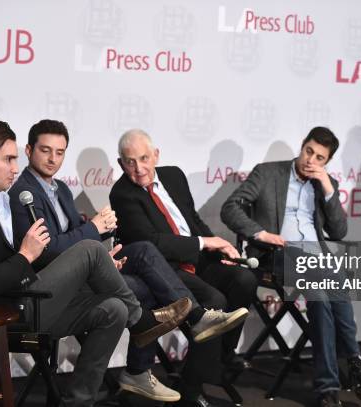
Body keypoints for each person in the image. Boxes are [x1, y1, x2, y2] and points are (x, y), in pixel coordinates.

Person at [0, 118, 188, 407]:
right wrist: (26, 254)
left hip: (28, 299)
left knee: (113, 309)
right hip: (5, 312)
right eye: (8, 159)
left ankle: (78, 402)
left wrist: (92, 266)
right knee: (89, 249)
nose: (14, 167)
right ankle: (143, 322)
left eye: (15, 159)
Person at [9, 119, 242, 402]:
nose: (53, 159)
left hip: (85, 271)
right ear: (29, 150)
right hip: (54, 287)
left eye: (59, 152)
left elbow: (77, 242)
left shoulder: (61, 189)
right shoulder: (23, 194)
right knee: (147, 273)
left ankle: (149, 362)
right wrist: (94, 227)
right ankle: (157, 352)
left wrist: (104, 258)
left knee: (143, 258)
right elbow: (45, 251)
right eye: (45, 151)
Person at [221, 126, 361, 407]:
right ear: (302, 146)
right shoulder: (268, 172)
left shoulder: (324, 184)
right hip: (277, 254)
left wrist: (330, 190)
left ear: (326, 161)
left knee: (324, 291)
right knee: (330, 280)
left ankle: (330, 387)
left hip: (315, 259)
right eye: (309, 151)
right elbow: (230, 207)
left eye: (320, 157)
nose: (311, 160)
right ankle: (354, 366)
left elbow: (340, 231)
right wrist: (260, 234)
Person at [109, 128, 256, 407]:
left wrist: (218, 247)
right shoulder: (122, 194)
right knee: (215, 300)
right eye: (130, 161)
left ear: (156, 155)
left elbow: (192, 220)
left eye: (143, 158)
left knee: (244, 279)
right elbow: (153, 243)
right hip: (166, 271)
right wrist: (204, 242)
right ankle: (191, 389)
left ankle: (220, 357)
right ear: (120, 163)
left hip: (199, 261)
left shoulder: (174, 175)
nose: (138, 168)